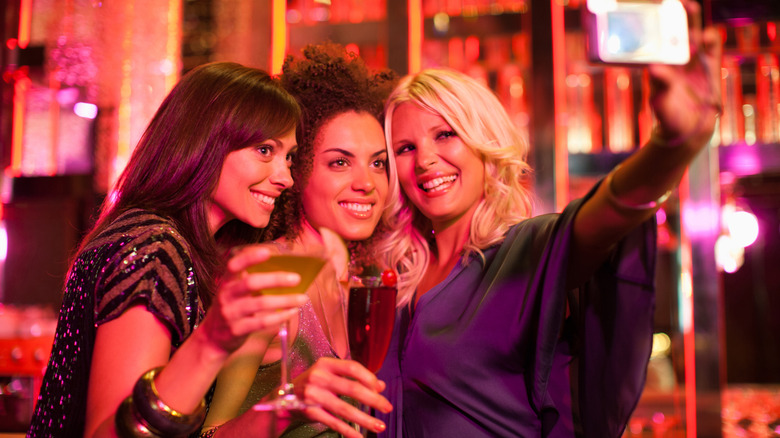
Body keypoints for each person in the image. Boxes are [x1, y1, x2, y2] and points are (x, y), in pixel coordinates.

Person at [375, 2, 722, 436]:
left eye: (445, 134)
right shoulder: (392, 279)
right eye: (404, 148)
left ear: (485, 143)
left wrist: (672, 144)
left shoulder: (527, 251)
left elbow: (609, 213)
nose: (425, 160)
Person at [27, 61, 384, 438]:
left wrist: (283, 409)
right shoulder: (152, 247)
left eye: (290, 157)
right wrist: (214, 340)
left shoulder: (181, 248)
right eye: (265, 150)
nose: (285, 178)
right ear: (205, 143)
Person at [201, 43, 397, 438]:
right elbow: (209, 434)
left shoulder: (357, 279)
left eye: (378, 163)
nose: (366, 183)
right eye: (339, 162)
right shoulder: (270, 276)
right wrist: (287, 408)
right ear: (297, 169)